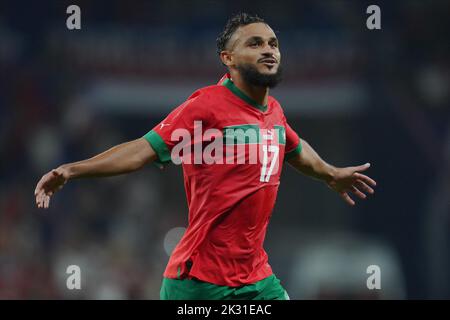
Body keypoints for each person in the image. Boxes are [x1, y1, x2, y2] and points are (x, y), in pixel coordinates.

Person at [35, 13, 377, 300]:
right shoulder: (207, 106)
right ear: (228, 59)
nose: (269, 50)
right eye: (254, 43)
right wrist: (72, 170)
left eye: (273, 43)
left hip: (256, 279)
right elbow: (142, 149)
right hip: (199, 283)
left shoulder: (273, 112)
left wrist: (330, 173)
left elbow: (296, 149)